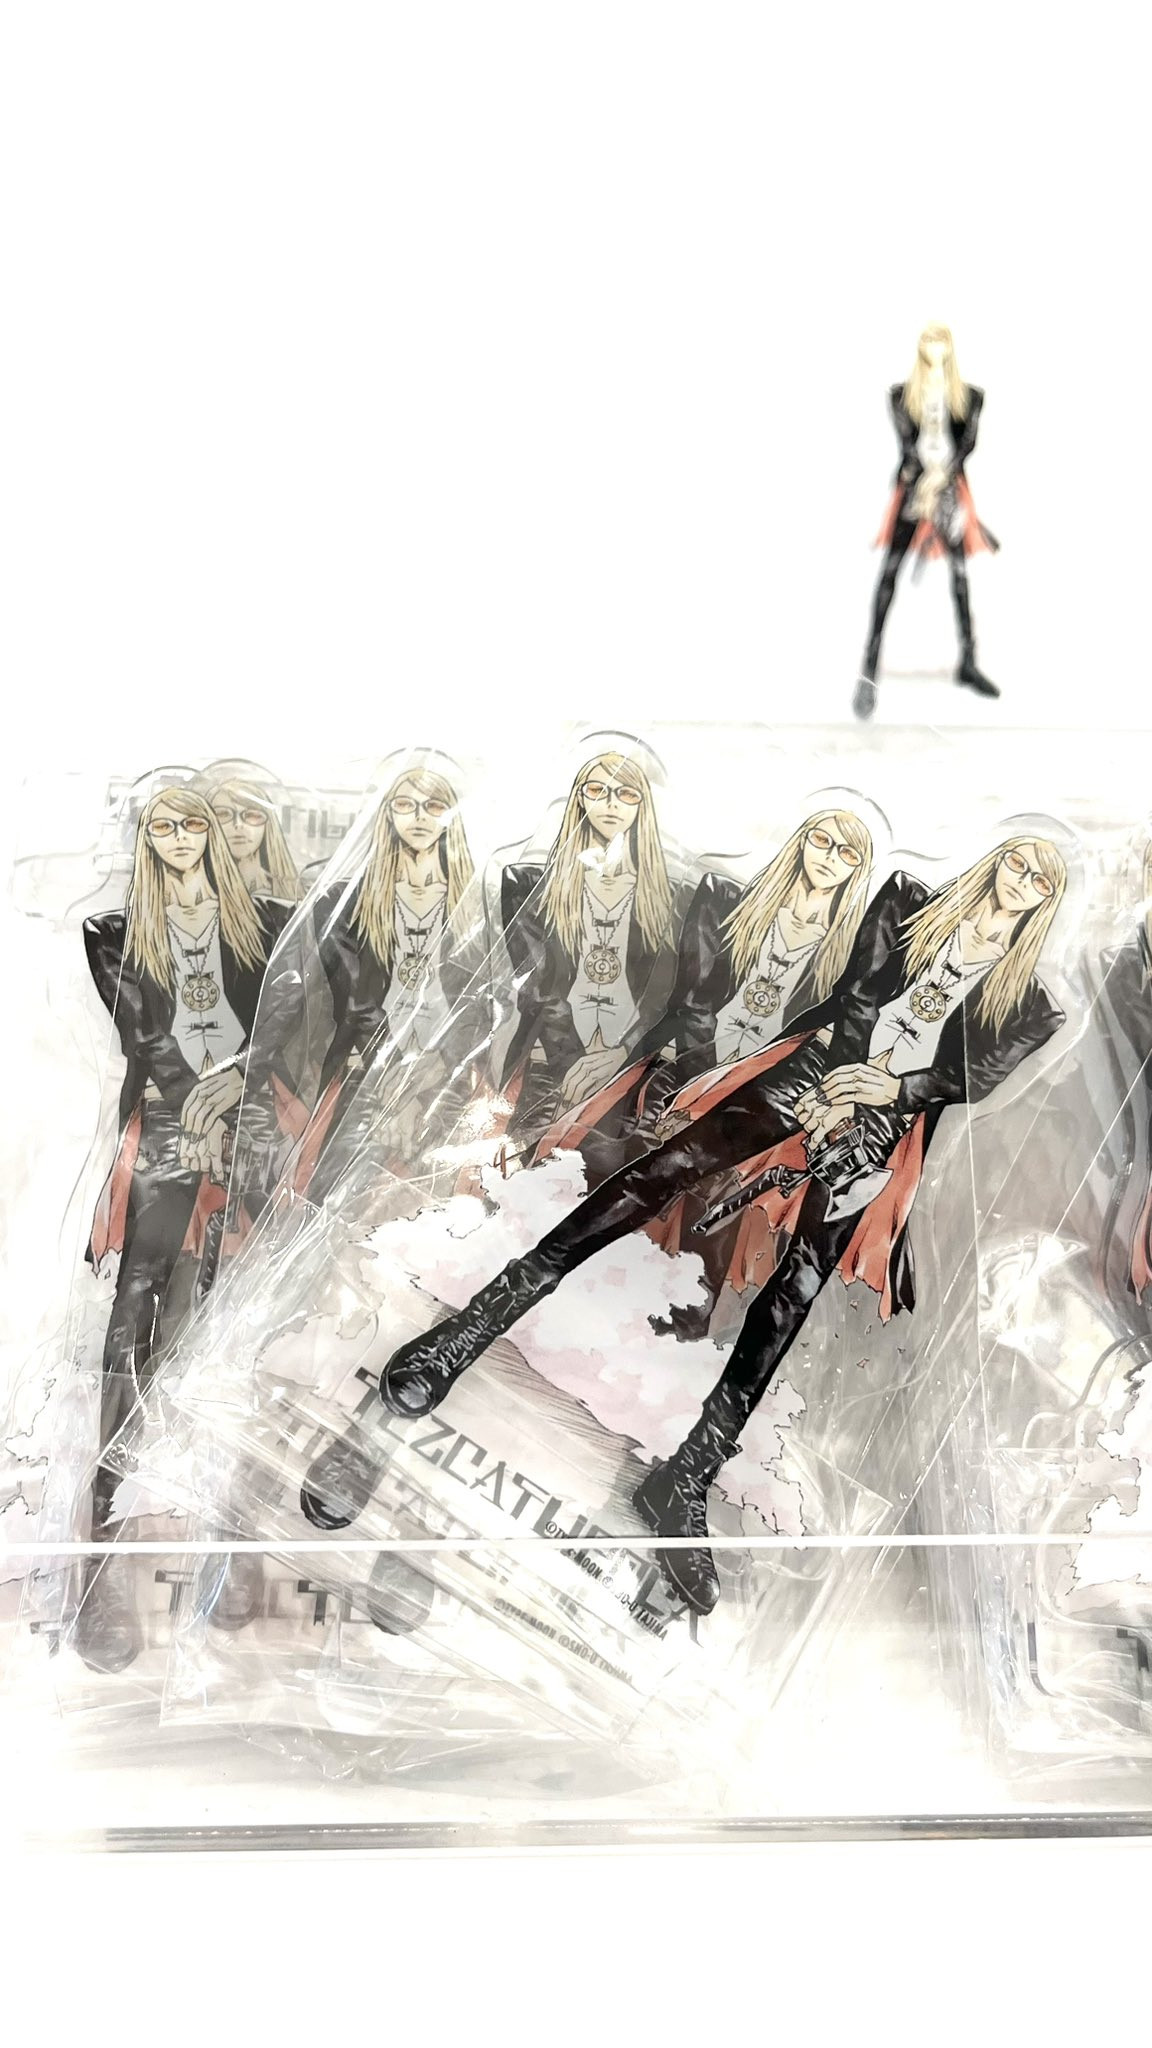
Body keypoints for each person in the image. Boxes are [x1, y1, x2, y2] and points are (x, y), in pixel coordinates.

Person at [359, 836, 1067, 1616]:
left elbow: (975, 1074)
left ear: (1048, 899)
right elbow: (861, 993)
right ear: (996, 859)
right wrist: (844, 1085)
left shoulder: (1032, 1005)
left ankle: (687, 1475)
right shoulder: (905, 901)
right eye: (1018, 861)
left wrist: (888, 1095)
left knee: (796, 1290)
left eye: (1041, 877)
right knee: (659, 1175)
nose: (1022, 879)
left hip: (882, 1130)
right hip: (819, 1074)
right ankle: (468, 1329)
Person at [79, 786, 300, 1670]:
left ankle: (233, 1539)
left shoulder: (272, 921)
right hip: (168, 1125)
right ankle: (99, 1545)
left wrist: (236, 1087)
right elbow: (144, 1035)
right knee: (135, 1314)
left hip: (253, 1122)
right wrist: (195, 1103)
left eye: (192, 823)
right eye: (162, 826)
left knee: (248, 1316)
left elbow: (287, 1020)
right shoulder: (111, 930)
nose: (179, 838)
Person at [854, 324, 1000, 721]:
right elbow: (907, 444)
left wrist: (942, 477)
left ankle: (968, 662)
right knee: (890, 570)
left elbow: (967, 443)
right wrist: (924, 479)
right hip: (914, 487)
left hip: (948, 488)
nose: (935, 348)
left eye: (941, 341)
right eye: (929, 342)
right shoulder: (902, 395)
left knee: (959, 573)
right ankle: (869, 668)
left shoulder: (971, 396)